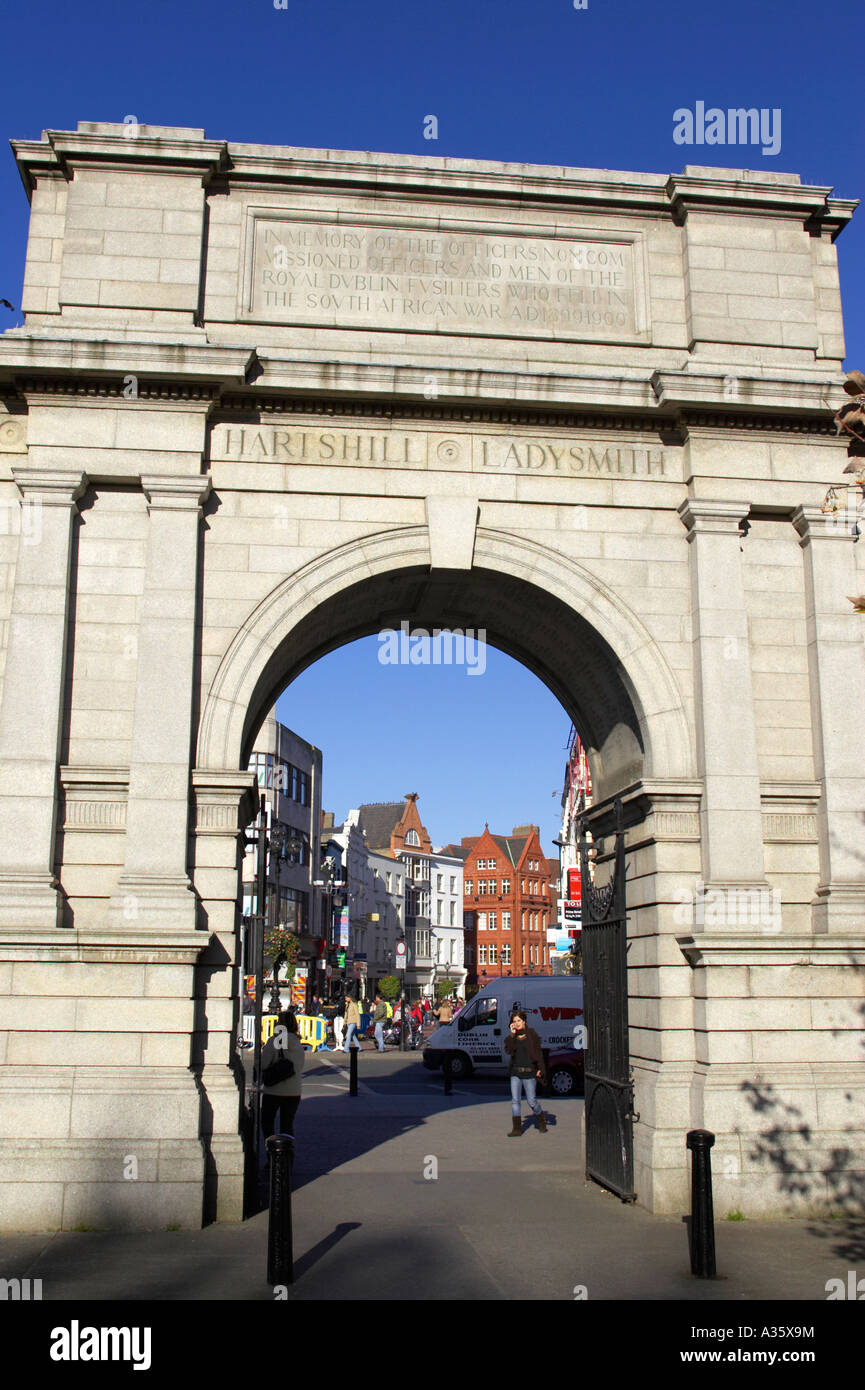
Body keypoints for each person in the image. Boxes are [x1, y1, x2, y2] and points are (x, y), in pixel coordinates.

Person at [260, 1010, 305, 1139]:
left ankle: (272, 1152)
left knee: (267, 1122)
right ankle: (286, 1154)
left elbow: (264, 1064)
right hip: (293, 1091)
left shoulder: (275, 1040)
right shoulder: (297, 1043)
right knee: (287, 1125)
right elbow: (299, 1066)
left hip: (274, 1089)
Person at [504, 1009, 547, 1136]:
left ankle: (541, 1120)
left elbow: (538, 1054)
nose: (517, 1024)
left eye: (519, 1021)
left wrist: (540, 1069)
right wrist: (512, 1035)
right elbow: (509, 1050)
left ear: (524, 1021)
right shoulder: (512, 1037)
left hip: (529, 1073)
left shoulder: (532, 1035)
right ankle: (517, 1129)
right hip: (516, 1073)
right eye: (514, 1022)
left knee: (531, 1101)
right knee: (515, 1101)